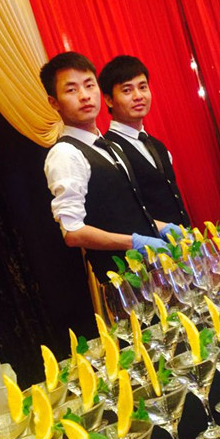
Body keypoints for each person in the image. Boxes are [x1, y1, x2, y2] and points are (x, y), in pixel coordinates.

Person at [40, 52, 172, 281]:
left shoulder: (110, 146)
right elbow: (72, 232)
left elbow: (124, 213)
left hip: (153, 273)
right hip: (123, 283)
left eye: (89, 85)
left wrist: (162, 227)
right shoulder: (65, 154)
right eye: (71, 90)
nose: (84, 96)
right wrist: (134, 242)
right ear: (54, 102)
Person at [98, 55, 189, 227]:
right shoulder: (107, 151)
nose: (138, 96)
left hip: (184, 238)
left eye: (143, 87)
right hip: (149, 243)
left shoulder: (157, 145)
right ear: (109, 100)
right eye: (127, 90)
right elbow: (123, 213)